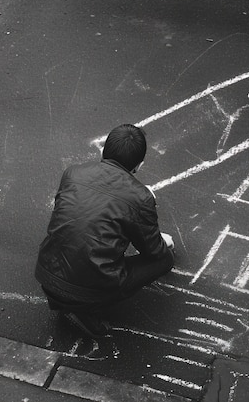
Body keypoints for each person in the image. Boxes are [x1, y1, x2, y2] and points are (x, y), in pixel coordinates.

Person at [35, 124, 175, 337]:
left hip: (47, 275)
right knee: (165, 260)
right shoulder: (141, 197)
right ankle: (84, 310)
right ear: (138, 166)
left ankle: (65, 300)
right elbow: (153, 251)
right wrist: (161, 239)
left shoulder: (73, 173)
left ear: (103, 151)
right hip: (88, 290)